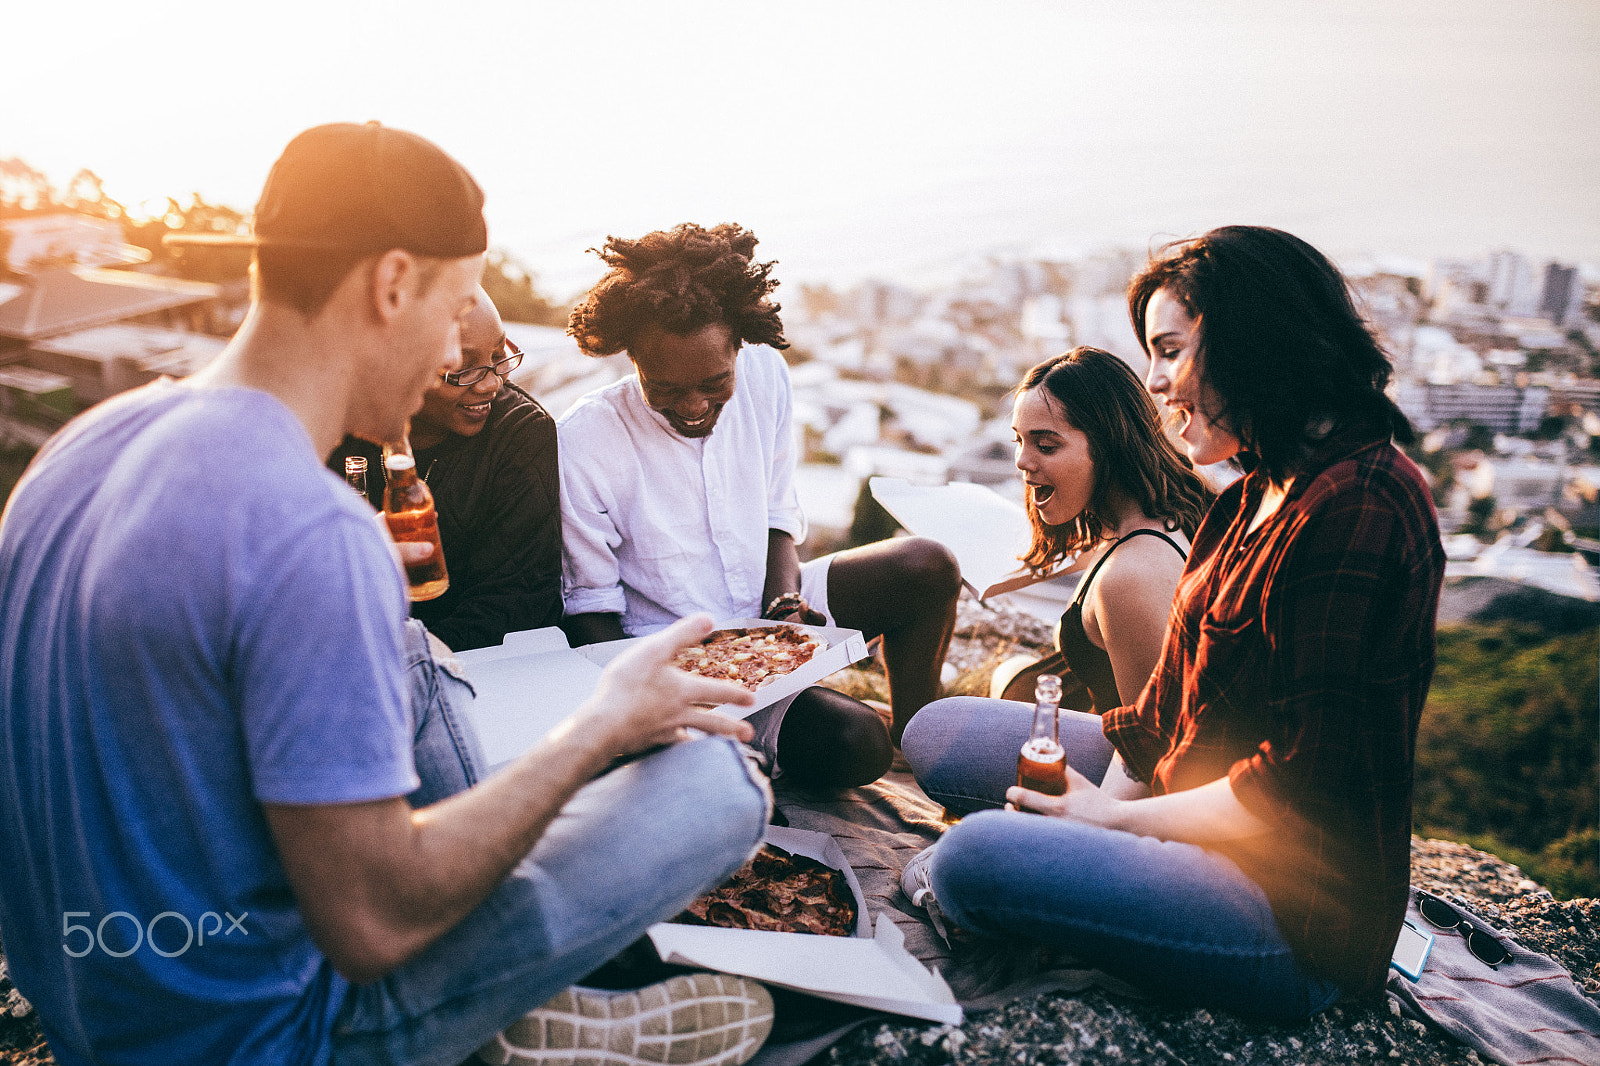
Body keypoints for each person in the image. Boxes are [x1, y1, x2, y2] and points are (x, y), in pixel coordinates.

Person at [0, 122, 775, 1066]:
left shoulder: (79, 449)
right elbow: (373, 923)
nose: (461, 352)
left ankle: (508, 1005)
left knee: (409, 647)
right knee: (720, 785)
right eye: (456, 313)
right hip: (258, 1036)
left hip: (95, 1001)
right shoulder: (310, 530)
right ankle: (496, 1014)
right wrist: (604, 726)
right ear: (392, 283)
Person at [900, 225, 1445, 1020]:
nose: (1153, 381)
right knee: (938, 734)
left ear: (1253, 343)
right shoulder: (1248, 496)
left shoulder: (1362, 504)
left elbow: (1295, 785)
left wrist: (1111, 821)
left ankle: (1048, 887)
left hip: (1288, 913)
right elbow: (1161, 711)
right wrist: (1096, 817)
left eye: (1170, 350)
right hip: (1189, 798)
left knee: (972, 860)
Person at [558, 222, 961, 787]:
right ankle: (752, 748)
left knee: (927, 565)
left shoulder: (767, 372)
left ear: (739, 346)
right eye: (666, 388)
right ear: (632, 358)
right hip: (671, 658)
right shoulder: (583, 441)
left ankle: (923, 746)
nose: (695, 405)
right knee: (855, 744)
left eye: (714, 381)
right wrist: (670, 705)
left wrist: (786, 601)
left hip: (763, 606)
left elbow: (777, 517)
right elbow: (592, 618)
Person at [903, 345, 1212, 809]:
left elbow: (1154, 750)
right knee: (1012, 679)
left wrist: (1091, 826)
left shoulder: (1130, 576)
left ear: (1111, 446)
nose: (1023, 461)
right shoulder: (1172, 510)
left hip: (1142, 782)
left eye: (1046, 445)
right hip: (1115, 735)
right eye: (1018, 441)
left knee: (932, 732)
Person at [331, 286, 562, 651]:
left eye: (499, 355)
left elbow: (517, 600)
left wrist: (414, 661)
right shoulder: (338, 427)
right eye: (464, 367)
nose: (491, 383)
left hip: (480, 667)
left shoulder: (519, 433)